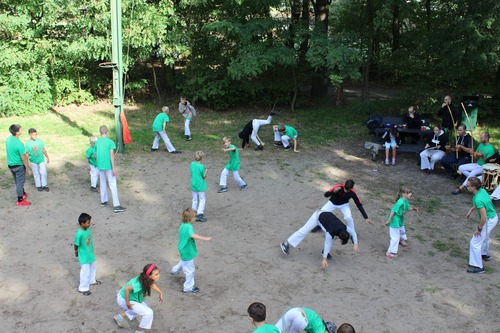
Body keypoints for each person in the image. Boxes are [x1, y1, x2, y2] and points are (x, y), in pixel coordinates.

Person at [280, 210, 358, 268]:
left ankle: (324, 252)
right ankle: (286, 243)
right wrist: (324, 259)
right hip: (317, 217)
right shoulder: (330, 233)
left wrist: (355, 244)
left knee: (330, 238)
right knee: (304, 231)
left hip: (326, 218)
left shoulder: (344, 227)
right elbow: (327, 244)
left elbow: (353, 233)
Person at [320, 180, 373, 249]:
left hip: (344, 205)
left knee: (349, 218)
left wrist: (366, 217)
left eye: (347, 190)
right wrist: (333, 191)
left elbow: (359, 205)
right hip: (332, 203)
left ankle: (352, 235)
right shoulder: (338, 187)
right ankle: (319, 225)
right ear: (344, 184)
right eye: (345, 188)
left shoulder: (353, 193)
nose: (345, 191)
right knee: (321, 212)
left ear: (351, 188)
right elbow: (326, 195)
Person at [170, 208, 212, 293]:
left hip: (183, 249)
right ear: (190, 218)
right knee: (190, 271)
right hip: (187, 251)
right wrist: (205, 238)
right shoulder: (189, 227)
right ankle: (188, 287)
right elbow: (192, 235)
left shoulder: (183, 225)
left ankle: (174, 270)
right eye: (194, 217)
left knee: (183, 261)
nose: (195, 219)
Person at [114, 263, 164, 332]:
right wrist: (128, 303)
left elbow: (151, 285)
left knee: (144, 308)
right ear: (149, 275)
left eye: (158, 273)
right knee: (148, 313)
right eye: (156, 274)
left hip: (131, 298)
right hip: (124, 299)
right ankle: (139, 331)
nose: (158, 276)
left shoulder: (146, 278)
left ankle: (120, 317)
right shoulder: (139, 284)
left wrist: (160, 293)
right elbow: (127, 289)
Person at [465, 177, 498, 273]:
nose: (467, 187)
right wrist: (472, 208)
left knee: (475, 242)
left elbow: (483, 217)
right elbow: (485, 201)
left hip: (489, 220)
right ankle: (485, 254)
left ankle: (478, 267)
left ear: (474, 187)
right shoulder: (482, 191)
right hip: (493, 217)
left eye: (468, 185)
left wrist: (479, 229)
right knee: (485, 237)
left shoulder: (478, 199)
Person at [94, 125, 126, 213]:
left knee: (103, 183)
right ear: (107, 132)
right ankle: (116, 205)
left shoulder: (97, 142)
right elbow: (112, 155)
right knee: (112, 184)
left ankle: (103, 201)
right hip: (108, 166)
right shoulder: (110, 142)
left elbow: (95, 154)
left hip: (100, 166)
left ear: (100, 133)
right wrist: (114, 168)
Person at [385, 187, 418, 259]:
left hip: (400, 220)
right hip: (394, 221)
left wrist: (413, 208)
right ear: (403, 194)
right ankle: (390, 252)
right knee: (394, 237)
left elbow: (407, 207)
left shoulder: (405, 201)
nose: (410, 194)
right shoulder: (399, 202)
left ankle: (401, 240)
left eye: (410, 193)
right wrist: (389, 220)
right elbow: (393, 211)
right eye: (408, 193)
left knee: (402, 231)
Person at [74, 213, 100, 296]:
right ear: (82, 224)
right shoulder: (79, 234)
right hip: (84, 256)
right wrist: (76, 252)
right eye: (88, 222)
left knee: (93, 268)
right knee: (85, 272)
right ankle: (83, 288)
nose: (90, 224)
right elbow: (76, 244)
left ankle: (92, 280)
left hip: (90, 254)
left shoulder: (87, 229)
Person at [6, 124, 32, 206]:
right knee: (20, 183)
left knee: (17, 181)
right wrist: (28, 168)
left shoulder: (8, 139)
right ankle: (20, 200)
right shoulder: (19, 144)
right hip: (18, 166)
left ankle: (23, 193)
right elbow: (23, 158)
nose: (21, 130)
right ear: (17, 132)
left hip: (10, 165)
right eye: (20, 129)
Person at [190, 151, 208, 222]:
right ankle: (199, 214)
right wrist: (206, 171)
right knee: (202, 199)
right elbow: (204, 176)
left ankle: (193, 213)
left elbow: (191, 172)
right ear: (201, 158)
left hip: (193, 183)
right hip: (200, 185)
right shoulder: (201, 166)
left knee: (194, 199)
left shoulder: (192, 164)